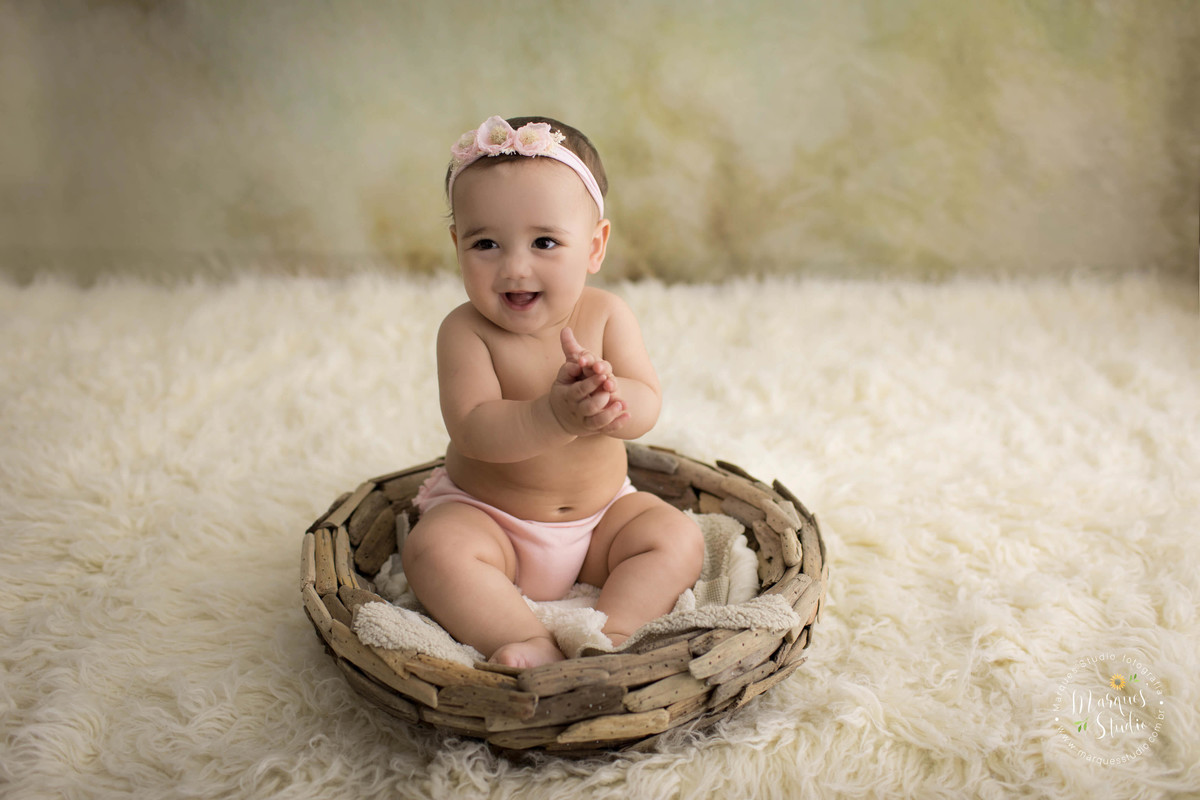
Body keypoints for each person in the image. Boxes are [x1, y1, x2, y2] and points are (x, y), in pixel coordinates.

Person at [401, 115, 705, 668]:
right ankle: (525, 639)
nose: (515, 268)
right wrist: (554, 417)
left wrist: (612, 400)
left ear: (594, 247)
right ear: (456, 245)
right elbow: (472, 429)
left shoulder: (607, 314)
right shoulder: (465, 331)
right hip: (491, 521)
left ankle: (611, 635)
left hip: (601, 522)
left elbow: (646, 404)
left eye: (544, 242)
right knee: (433, 550)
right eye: (485, 243)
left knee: (677, 538)